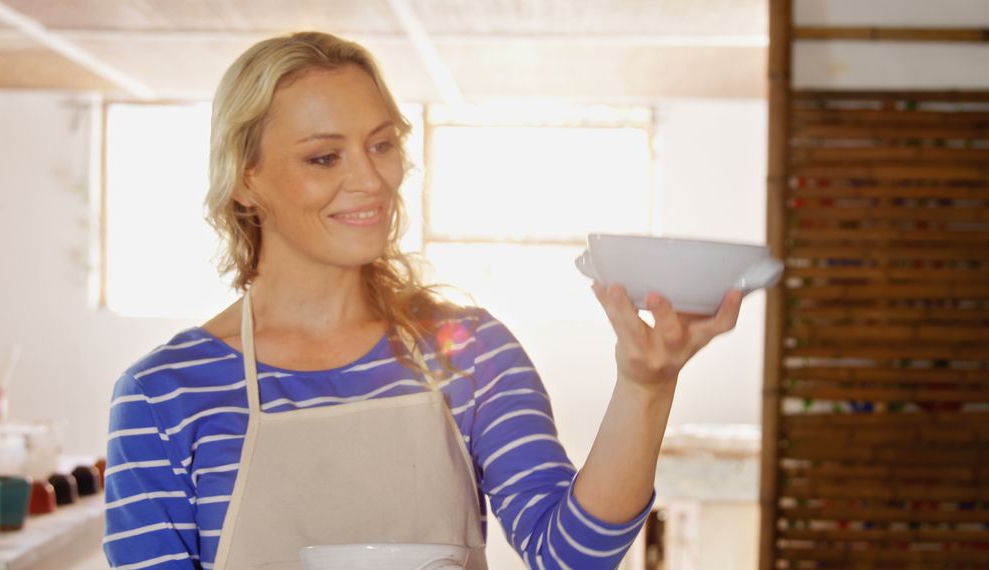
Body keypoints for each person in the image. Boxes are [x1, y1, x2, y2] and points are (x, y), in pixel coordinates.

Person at [103, 31, 743, 570]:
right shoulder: (163, 394)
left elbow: (570, 555)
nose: (370, 178)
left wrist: (646, 386)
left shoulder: (470, 352)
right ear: (246, 181)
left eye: (382, 145)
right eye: (324, 157)